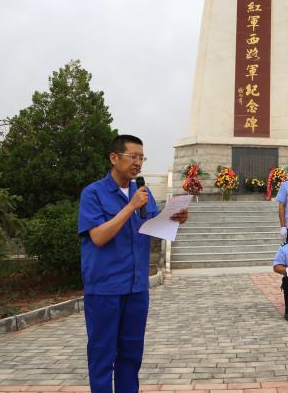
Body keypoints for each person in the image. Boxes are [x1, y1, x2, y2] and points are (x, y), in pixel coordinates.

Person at [78, 134, 189, 393]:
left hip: (137, 287)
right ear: (114, 158)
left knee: (131, 355)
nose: (138, 163)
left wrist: (174, 218)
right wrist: (130, 207)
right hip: (105, 288)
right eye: (133, 157)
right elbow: (98, 237)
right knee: (102, 353)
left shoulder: (143, 193)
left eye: (141, 158)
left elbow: (151, 228)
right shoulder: (93, 193)